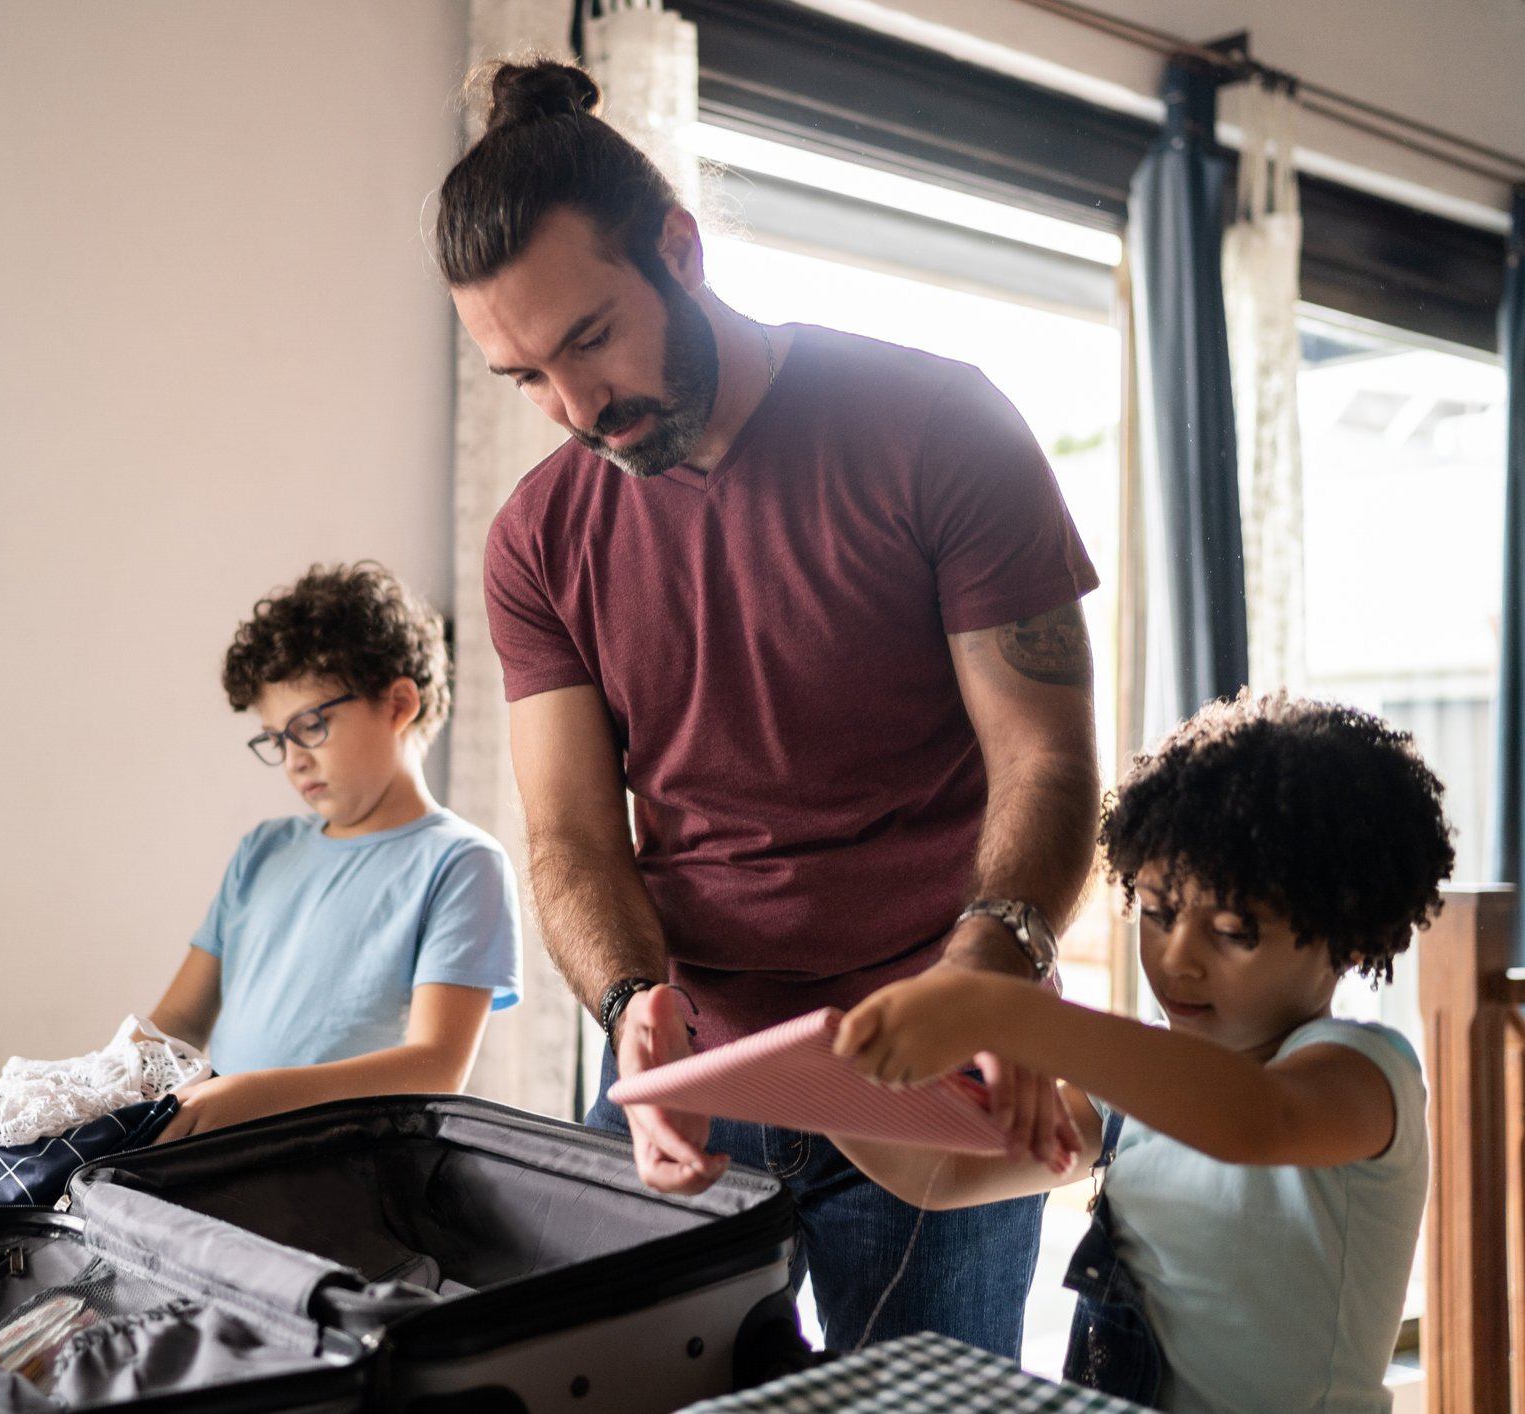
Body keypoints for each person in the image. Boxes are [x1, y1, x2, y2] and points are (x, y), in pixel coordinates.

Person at [437, 58, 1100, 1354]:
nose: (578, 411)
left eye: (589, 338)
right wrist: (631, 998)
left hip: (936, 1049)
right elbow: (572, 836)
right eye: (524, 378)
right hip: (698, 1063)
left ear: (678, 249)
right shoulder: (537, 537)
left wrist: (994, 969)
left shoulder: (939, 425)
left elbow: (1048, 761)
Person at [831, 692, 1452, 1411]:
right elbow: (942, 1177)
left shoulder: (1361, 1075)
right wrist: (820, 1084)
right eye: (1156, 916)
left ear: (1345, 935)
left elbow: (1253, 1121)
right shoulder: (1130, 1093)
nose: (1177, 959)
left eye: (1230, 931)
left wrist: (1002, 1010)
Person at [146, 562, 523, 1143]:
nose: (293, 758)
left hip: (350, 1171)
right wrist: (91, 1091)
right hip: (222, 1157)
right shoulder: (263, 851)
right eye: (276, 739)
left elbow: (436, 1067)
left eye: (311, 726)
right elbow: (177, 1021)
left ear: (398, 704)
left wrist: (253, 1095)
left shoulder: (461, 863)